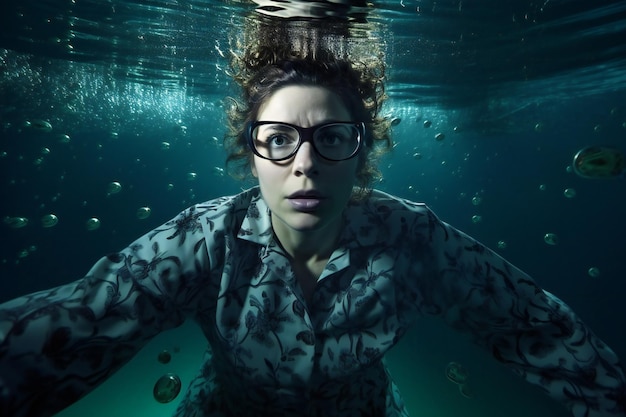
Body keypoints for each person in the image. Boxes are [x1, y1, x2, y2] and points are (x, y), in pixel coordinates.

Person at [1, 20, 625, 417]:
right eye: (278, 138)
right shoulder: (203, 240)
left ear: (363, 149)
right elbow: (75, 322)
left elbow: (536, 329)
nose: (304, 164)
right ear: (250, 152)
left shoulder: (411, 239)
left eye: (331, 138)